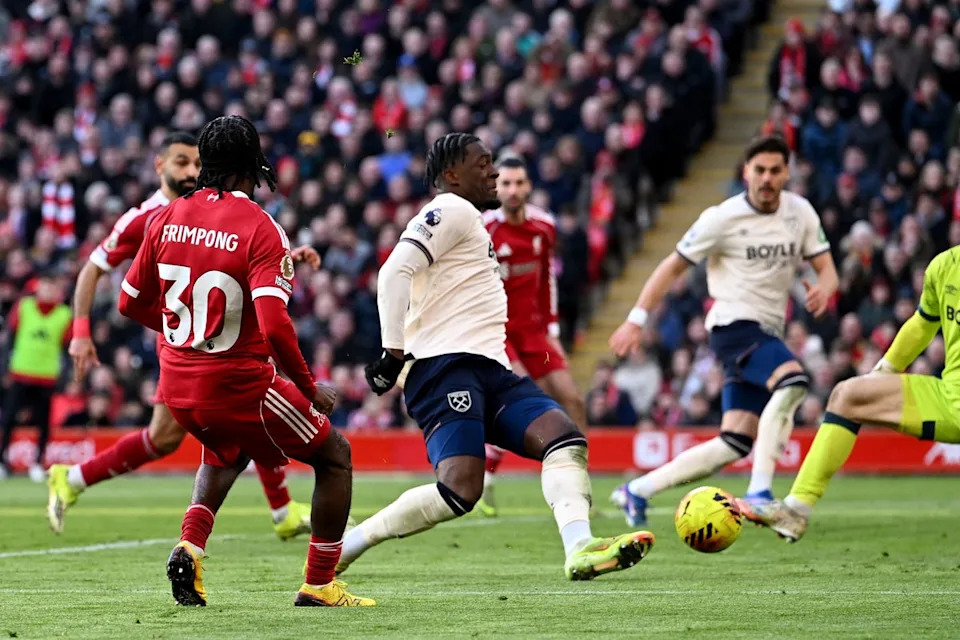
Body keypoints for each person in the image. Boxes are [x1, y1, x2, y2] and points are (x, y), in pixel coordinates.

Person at [345, 133, 654, 581]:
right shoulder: (450, 208)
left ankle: (580, 547)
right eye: (483, 164)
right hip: (445, 367)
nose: (493, 172)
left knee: (563, 437)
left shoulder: (471, 220)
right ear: (452, 174)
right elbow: (394, 270)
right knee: (460, 489)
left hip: (489, 368)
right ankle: (346, 547)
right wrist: (392, 353)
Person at [118, 116, 373, 607]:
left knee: (225, 453)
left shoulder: (166, 217)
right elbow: (275, 325)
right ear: (250, 167)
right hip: (236, 381)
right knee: (335, 456)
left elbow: (130, 302)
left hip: (177, 383)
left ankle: (189, 548)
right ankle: (319, 584)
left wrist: (183, 331)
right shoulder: (261, 226)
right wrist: (308, 387)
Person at [46, 132, 317, 540]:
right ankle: (75, 477)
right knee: (185, 429)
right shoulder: (147, 216)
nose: (190, 172)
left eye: (195, 163)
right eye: (180, 163)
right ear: (160, 166)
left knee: (232, 408)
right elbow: (93, 268)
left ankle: (280, 511)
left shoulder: (210, 209)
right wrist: (82, 331)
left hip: (213, 332)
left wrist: (281, 260)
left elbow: (229, 257)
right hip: (182, 339)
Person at [608, 135, 839, 526]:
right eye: (759, 170)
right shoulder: (722, 218)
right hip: (732, 326)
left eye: (775, 170)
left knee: (734, 441)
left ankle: (637, 490)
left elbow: (827, 267)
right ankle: (760, 493)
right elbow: (671, 267)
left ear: (787, 173)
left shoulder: (800, 213)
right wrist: (637, 318)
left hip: (767, 330)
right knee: (793, 382)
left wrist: (825, 290)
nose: (766, 178)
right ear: (746, 171)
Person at [749, 244, 960, 541]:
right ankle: (796, 509)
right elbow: (923, 323)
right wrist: (883, 371)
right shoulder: (945, 265)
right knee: (847, 396)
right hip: (950, 397)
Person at [478, 154, 586, 517]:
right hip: (498, 330)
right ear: (497, 187)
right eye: (505, 183)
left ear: (528, 186)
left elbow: (547, 280)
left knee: (573, 400)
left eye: (518, 183)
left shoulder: (544, 226)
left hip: (535, 330)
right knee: (522, 396)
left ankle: (579, 488)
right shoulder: (485, 228)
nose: (512, 190)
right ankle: (485, 476)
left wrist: (552, 331)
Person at [0, 274, 71, 482]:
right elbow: (10, 340)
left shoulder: (65, 314)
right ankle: (3, 461)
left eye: (53, 287)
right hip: (20, 372)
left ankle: (38, 462)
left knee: (43, 422)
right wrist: (5, 369)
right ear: (38, 288)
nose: (49, 291)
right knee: (9, 419)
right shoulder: (24, 307)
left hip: (47, 376)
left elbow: (66, 349)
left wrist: (64, 377)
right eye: (45, 287)